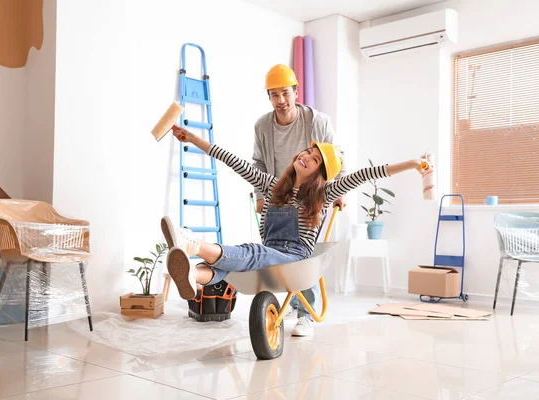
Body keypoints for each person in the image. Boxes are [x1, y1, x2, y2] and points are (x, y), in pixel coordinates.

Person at [161, 126, 428, 337]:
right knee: (236, 265)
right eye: (306, 153)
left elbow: (368, 174)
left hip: (295, 257)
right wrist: (194, 139)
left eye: (313, 160)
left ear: (320, 173)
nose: (305, 157)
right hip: (269, 253)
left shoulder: (325, 193)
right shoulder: (272, 185)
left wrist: (412, 164)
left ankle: (193, 244)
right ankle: (192, 274)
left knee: (252, 253)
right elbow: (233, 161)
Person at [252, 64, 347, 334]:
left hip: (310, 195)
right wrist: (262, 195)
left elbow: (338, 156)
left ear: (296, 92)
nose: (280, 101)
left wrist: (338, 191)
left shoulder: (317, 121)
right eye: (274, 95)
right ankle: (290, 299)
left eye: (285, 93)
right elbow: (258, 162)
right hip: (279, 193)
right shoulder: (262, 126)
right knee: (277, 250)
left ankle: (307, 312)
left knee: (305, 254)